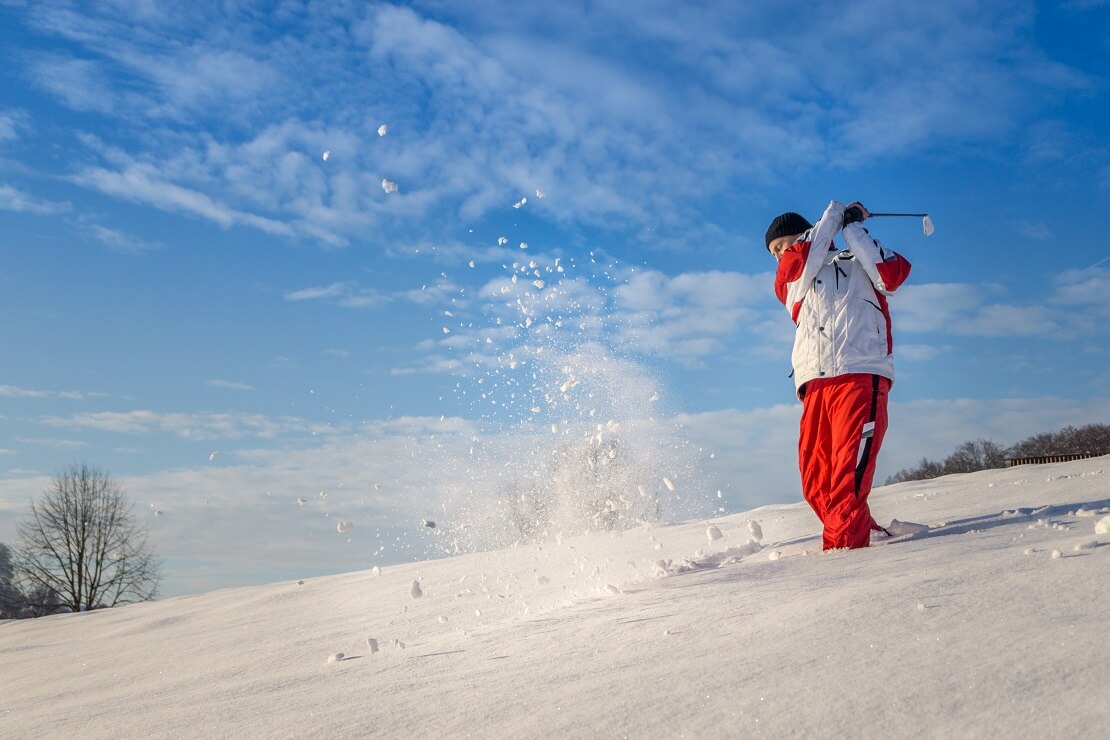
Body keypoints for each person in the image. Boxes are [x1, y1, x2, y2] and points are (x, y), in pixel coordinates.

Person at [766, 200, 919, 549]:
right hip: (815, 384)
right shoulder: (791, 278)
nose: (778, 254)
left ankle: (844, 558)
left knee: (845, 482)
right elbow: (797, 264)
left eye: (780, 245)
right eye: (773, 251)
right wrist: (832, 217)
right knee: (816, 483)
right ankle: (869, 533)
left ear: (802, 234)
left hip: (860, 375)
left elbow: (891, 274)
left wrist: (851, 228)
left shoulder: (856, 258)